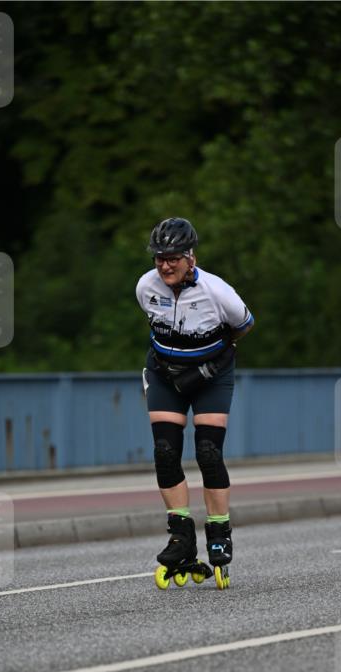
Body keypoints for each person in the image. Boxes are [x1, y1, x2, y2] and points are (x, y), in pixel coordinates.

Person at [136, 217, 254, 586]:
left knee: (208, 452)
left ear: (191, 257)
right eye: (159, 258)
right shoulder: (145, 287)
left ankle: (219, 533)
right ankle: (181, 537)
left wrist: (213, 361)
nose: (165, 265)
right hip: (165, 374)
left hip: (210, 377)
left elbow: (244, 325)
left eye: (173, 258)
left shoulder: (218, 292)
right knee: (165, 451)